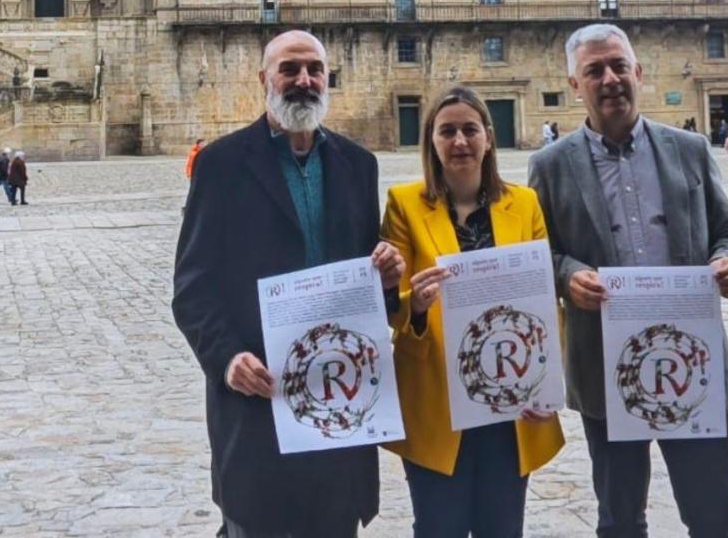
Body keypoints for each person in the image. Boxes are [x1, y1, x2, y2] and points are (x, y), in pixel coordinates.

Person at [172, 29, 406, 537]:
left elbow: (366, 279)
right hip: (260, 396)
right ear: (265, 78)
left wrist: (388, 275)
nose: (304, 80)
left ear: (327, 78)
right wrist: (227, 359)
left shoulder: (358, 165)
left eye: (314, 70)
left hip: (338, 400)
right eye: (290, 69)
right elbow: (193, 287)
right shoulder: (221, 164)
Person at [528, 24, 728, 538]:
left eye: (619, 66)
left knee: (715, 511)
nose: (610, 79)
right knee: (621, 517)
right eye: (594, 71)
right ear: (575, 84)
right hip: (604, 364)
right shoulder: (550, 166)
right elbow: (540, 252)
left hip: (691, 359)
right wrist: (567, 275)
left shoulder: (689, 149)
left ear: (638, 73)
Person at [382, 86, 564, 538]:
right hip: (436, 401)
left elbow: (544, 300)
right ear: (431, 141)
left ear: (488, 137)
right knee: (437, 527)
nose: (459, 141)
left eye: (469, 129)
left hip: (511, 400)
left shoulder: (524, 204)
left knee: (502, 527)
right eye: (447, 131)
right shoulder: (403, 204)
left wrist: (547, 387)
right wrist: (414, 303)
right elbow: (390, 305)